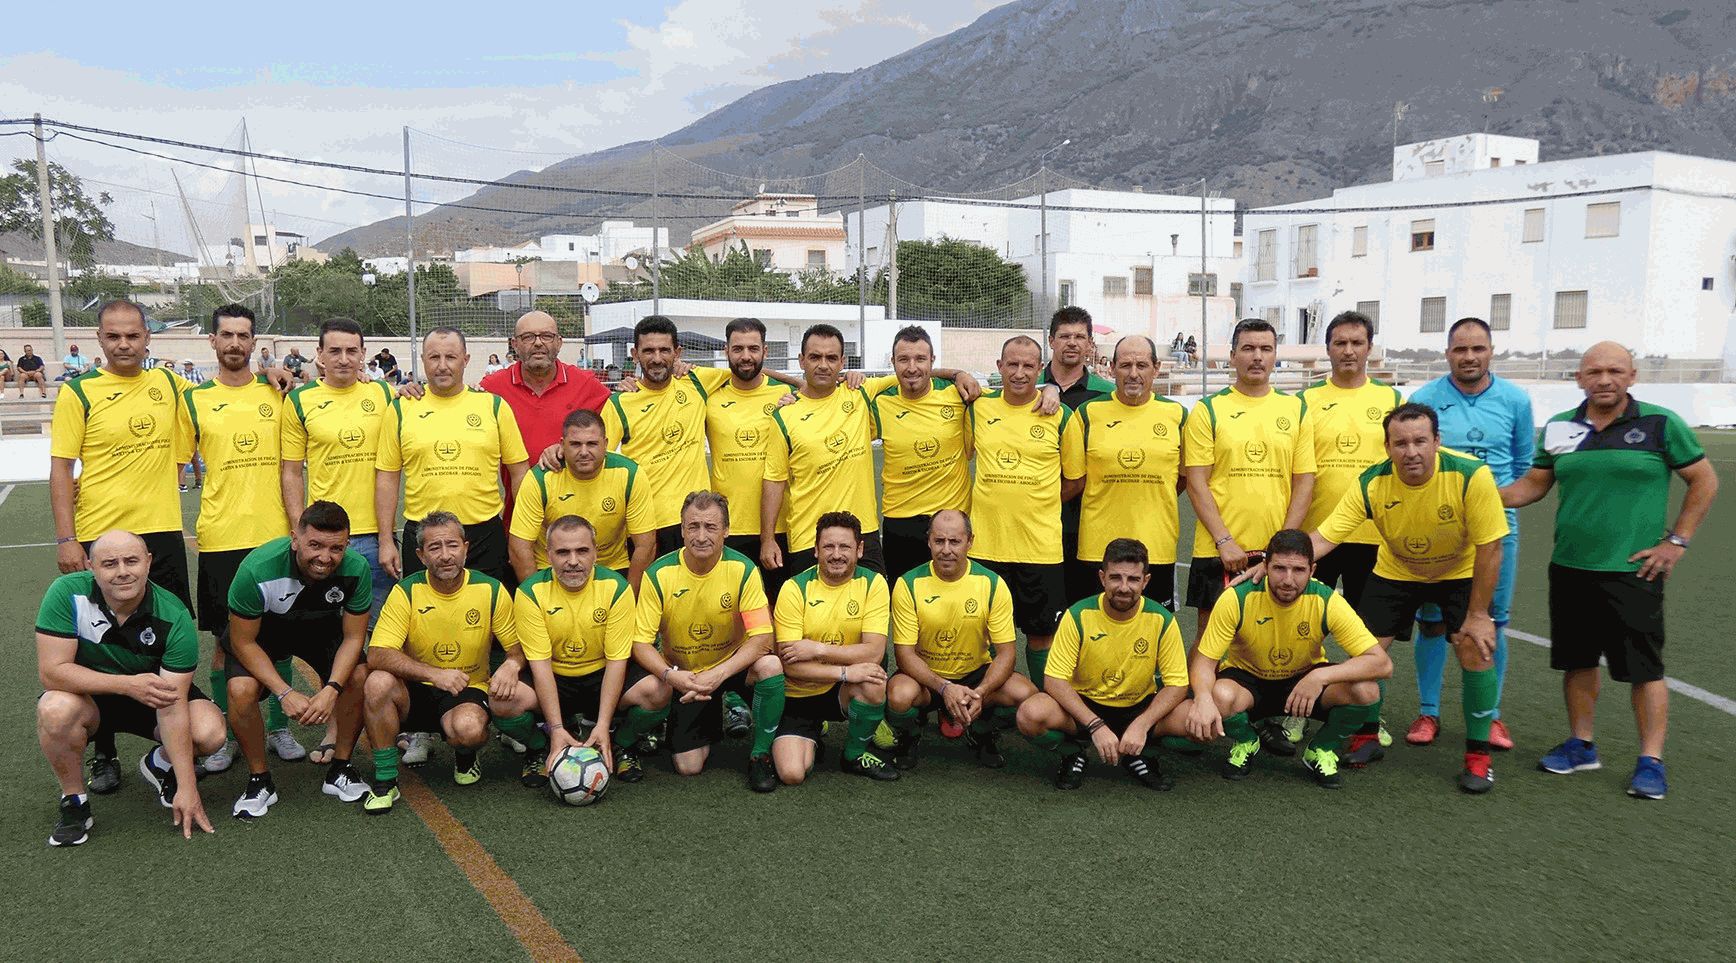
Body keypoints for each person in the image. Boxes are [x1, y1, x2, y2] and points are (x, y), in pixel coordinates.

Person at [1502, 342, 1718, 800]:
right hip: (1570, 567)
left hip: (1634, 571)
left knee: (1645, 669)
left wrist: (1676, 541)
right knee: (1577, 662)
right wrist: (1475, 492)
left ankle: (1651, 760)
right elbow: (1533, 486)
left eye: (1615, 371)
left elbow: (1704, 480)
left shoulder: (1660, 423)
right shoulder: (1560, 427)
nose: (1605, 380)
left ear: (1632, 376)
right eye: (1595, 371)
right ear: (1579, 378)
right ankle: (1581, 745)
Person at [1310, 402, 1508, 793]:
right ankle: (1367, 736)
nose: (1411, 451)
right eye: (1400, 443)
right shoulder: (1372, 483)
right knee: (1365, 652)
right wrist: (1275, 562)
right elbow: (1325, 537)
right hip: (1397, 571)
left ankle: (1478, 756)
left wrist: (1479, 614)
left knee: (1475, 647)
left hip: (1458, 572)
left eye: (1420, 441)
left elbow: (1491, 546)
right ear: (1387, 448)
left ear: (1437, 441)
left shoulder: (1470, 475)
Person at [50, 299, 199, 795]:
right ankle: (105, 752)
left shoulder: (170, 385)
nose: (124, 345)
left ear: (147, 338)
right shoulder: (79, 392)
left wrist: (272, 377)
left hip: (161, 532)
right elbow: (61, 469)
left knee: (168, 632)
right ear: (99, 340)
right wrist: (68, 539)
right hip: (101, 535)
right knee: (98, 645)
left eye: (133, 336)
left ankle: (170, 746)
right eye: (113, 336)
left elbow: (223, 391)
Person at [35, 531, 224, 845]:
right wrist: (126, 684)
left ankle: (159, 764)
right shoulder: (66, 593)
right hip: (91, 697)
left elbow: (172, 704)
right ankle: (74, 801)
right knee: (54, 708)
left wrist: (188, 787)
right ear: (91, 567)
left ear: (148, 562)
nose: (122, 571)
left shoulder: (173, 615)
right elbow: (52, 672)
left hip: (153, 695)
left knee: (210, 731)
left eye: (131, 561)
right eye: (110, 563)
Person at [181, 304, 302, 773]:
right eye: (227, 335)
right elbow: (170, 463)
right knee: (225, 643)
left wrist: (282, 372)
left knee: (279, 638)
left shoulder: (279, 392)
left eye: (243, 335)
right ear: (212, 341)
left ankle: (279, 727)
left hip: (274, 536)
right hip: (220, 539)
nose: (235, 343)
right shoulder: (193, 399)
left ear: (254, 342)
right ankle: (230, 733)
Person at [1405, 317, 1532, 750]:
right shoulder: (1425, 398)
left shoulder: (1515, 400)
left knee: (1491, 621)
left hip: (1495, 533)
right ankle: (1428, 712)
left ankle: (1490, 716)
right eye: (1460, 349)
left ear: (1491, 351)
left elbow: (1524, 467)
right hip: (1437, 531)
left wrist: (1489, 503)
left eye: (1478, 348)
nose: (1469, 357)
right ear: (1447, 354)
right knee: (1433, 623)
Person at [1186, 529, 1390, 788]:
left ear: (1312, 570)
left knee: (1367, 690)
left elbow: (1381, 663)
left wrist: (1320, 676)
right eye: (1279, 568)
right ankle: (1247, 740)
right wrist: (1202, 698)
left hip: (1303, 682)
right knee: (1218, 695)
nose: (1288, 580)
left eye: (1298, 570)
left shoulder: (1326, 599)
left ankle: (1321, 749)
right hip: (1248, 682)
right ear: (1265, 567)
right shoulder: (1237, 597)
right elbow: (1204, 662)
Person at [1284, 311, 1401, 750]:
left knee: (1368, 635)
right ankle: (1296, 711)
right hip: (1318, 537)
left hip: (1374, 538)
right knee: (1304, 628)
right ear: (1328, 349)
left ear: (1370, 347)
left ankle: (1367, 714)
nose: (1348, 351)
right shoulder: (1307, 401)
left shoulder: (1389, 398)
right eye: (1340, 343)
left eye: (1357, 342)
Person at [219, 502, 374, 817]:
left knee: (359, 677)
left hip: (320, 626)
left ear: (347, 545)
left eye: (336, 548)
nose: (325, 557)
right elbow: (243, 641)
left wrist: (331, 688)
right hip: (265, 631)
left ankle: (341, 768)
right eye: (315, 545)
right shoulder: (256, 569)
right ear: (294, 539)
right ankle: (259, 779)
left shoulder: (357, 568)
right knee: (240, 690)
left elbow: (353, 638)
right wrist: (284, 692)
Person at [493, 516, 672, 785]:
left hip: (602, 675)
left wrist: (603, 724)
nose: (573, 561)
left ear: (595, 553)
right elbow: (540, 666)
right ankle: (540, 747)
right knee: (502, 699)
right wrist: (555, 728)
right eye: (563, 552)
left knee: (659, 690)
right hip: (555, 678)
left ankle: (621, 742)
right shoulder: (530, 593)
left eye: (582, 551)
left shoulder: (616, 588)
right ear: (549, 555)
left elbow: (617, 662)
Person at [360, 512, 519, 813]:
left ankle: (465, 754)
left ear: (465, 549)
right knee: (377, 682)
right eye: (435, 547)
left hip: (467, 688)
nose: (445, 556)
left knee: (468, 730)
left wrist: (512, 664)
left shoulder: (491, 589)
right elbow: (378, 653)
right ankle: (386, 780)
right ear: (421, 555)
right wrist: (434, 674)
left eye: (452, 545)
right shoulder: (406, 591)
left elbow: (518, 649)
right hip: (414, 691)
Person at [630, 491, 785, 792]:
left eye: (710, 527)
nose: (701, 536)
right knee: (688, 767)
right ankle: (706, 715)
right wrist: (672, 676)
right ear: (682, 528)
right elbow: (641, 644)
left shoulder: (743, 569)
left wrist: (719, 674)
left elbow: (762, 637)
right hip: (687, 675)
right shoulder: (658, 574)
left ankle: (760, 753)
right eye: (693, 526)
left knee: (770, 666)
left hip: (732, 666)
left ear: (726, 530)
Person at [1015, 538, 1189, 791]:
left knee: (1199, 722)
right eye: (1116, 577)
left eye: (1133, 579)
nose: (1124, 587)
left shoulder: (1161, 619)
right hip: (1085, 705)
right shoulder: (1078, 614)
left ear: (1146, 581)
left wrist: (1142, 724)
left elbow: (1177, 684)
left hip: (1138, 706)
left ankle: (1141, 755)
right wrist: (1095, 725)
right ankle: (1073, 753)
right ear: (1102, 577)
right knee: (1030, 715)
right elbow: (1054, 679)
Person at [1183, 318, 1315, 635]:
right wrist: (1224, 541)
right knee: (1209, 641)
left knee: (1273, 639)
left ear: (1275, 356)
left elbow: (1304, 482)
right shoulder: (1208, 409)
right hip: (1218, 549)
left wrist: (1281, 547)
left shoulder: (1295, 409)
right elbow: (1196, 483)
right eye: (1248, 348)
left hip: (1275, 552)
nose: (1257, 356)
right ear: (1232, 356)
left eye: (1265, 349)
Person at [969, 335, 1084, 689]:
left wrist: (1040, 501)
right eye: (1012, 365)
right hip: (985, 547)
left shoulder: (1061, 415)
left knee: (1042, 636)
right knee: (983, 638)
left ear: (1040, 369)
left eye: (1028, 366)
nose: (1019, 373)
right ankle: (985, 708)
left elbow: (1075, 480)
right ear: (999, 367)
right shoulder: (978, 408)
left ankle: (1047, 707)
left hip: (1040, 549)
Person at [375, 327, 529, 586]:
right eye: (434, 357)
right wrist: (385, 540)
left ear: (465, 360)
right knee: (424, 610)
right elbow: (387, 478)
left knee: (487, 608)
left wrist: (523, 533)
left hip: (483, 536)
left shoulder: (493, 406)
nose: (442, 366)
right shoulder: (401, 408)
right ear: (423, 360)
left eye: (451, 357)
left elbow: (520, 473)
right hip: (424, 536)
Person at [883, 509, 1037, 770]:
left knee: (1026, 694)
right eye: (939, 541)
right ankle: (910, 734)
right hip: (928, 678)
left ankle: (981, 730)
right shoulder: (908, 583)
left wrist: (981, 692)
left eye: (954, 541)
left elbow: (1007, 653)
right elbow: (904, 655)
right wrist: (944, 688)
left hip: (975, 675)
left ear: (970, 541)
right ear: (928, 541)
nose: (946, 550)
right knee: (898, 695)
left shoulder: (992, 583)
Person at [281, 318, 400, 621]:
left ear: (363, 354)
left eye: (351, 351)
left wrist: (387, 539)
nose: (344, 359)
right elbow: (291, 473)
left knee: (380, 631)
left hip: (376, 536)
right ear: (320, 354)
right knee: (325, 632)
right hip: (324, 537)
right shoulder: (299, 400)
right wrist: (301, 532)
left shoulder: (384, 394)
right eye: (335, 351)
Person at [769, 511, 899, 784]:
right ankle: (811, 736)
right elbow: (791, 666)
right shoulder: (794, 588)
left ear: (859, 550)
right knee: (792, 774)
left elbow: (874, 652)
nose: (836, 554)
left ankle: (854, 755)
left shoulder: (873, 583)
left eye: (845, 547)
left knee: (873, 681)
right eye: (828, 546)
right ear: (816, 550)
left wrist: (817, 649)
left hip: (842, 690)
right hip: (799, 695)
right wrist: (844, 672)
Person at [1073, 336, 1188, 609]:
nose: (1133, 373)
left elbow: (1184, 478)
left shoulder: (1177, 415)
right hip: (1097, 547)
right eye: (1125, 365)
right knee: (1092, 626)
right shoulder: (1087, 413)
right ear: (1112, 368)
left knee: (1154, 626)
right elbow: (1076, 479)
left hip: (1156, 546)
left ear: (1156, 368)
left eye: (1142, 365)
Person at [761, 324, 886, 576]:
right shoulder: (784, 415)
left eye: (831, 358)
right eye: (815, 357)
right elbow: (774, 480)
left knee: (873, 599)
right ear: (801, 360)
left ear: (842, 362)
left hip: (862, 534)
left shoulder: (860, 394)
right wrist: (768, 539)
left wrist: (959, 374)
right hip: (808, 538)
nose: (823, 365)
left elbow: (913, 374)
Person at [601, 316, 733, 554]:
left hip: (694, 521)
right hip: (647, 524)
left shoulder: (695, 381)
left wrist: (799, 387)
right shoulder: (620, 402)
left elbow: (748, 370)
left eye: (664, 350)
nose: (657, 358)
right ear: (635, 354)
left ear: (677, 352)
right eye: (648, 351)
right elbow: (598, 459)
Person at [863, 325, 980, 584]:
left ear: (932, 361)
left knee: (956, 598)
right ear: (893, 362)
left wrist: (1051, 389)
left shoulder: (957, 394)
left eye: (920, 359)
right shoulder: (879, 403)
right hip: (900, 521)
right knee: (904, 599)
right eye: (903, 359)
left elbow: (1012, 399)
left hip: (950, 521)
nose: (912, 367)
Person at [479, 310, 610, 520]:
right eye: (528, 337)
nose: (538, 343)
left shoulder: (586, 384)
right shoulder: (492, 389)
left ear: (559, 342)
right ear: (514, 344)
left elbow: (623, 416)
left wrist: (632, 387)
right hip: (519, 519)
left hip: (579, 520)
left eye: (547, 336)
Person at [703, 317, 797, 605]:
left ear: (765, 351)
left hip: (779, 526)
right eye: (738, 349)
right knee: (730, 611)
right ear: (726, 351)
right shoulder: (708, 396)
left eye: (753, 349)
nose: (746, 356)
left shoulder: (786, 396)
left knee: (780, 609)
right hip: (728, 526)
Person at [508, 408, 655, 590]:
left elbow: (646, 545)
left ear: (605, 443)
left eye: (592, 444)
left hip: (611, 567)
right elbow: (519, 547)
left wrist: (629, 596)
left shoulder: (630, 474)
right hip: (552, 568)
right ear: (562, 444)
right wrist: (536, 594)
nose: (584, 452)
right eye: (575, 444)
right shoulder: (540, 478)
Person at [1038, 307, 1115, 605]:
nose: (1072, 343)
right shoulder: (1024, 384)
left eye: (1080, 337)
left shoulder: (1107, 394)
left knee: (1085, 609)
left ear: (1090, 343)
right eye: (1064, 336)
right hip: (1034, 520)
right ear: (1051, 341)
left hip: (1089, 522)